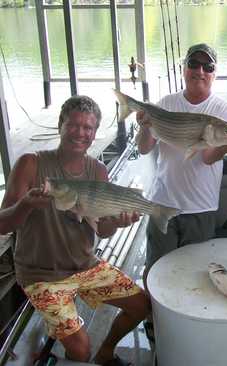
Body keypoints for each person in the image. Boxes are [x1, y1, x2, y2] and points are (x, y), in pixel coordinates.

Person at [0, 96, 151, 366]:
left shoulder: (98, 171)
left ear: (94, 134)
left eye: (88, 128)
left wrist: (117, 221)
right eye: (74, 125)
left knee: (142, 305)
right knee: (81, 349)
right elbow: (2, 224)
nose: (81, 133)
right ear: (60, 125)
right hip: (40, 274)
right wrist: (25, 206)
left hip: (84, 266)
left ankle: (106, 353)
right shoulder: (31, 164)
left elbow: (102, 230)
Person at [136, 43, 227, 278]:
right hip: (162, 202)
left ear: (214, 73)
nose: (200, 71)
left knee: (195, 275)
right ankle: (154, 315)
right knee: (155, 272)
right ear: (184, 68)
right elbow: (144, 148)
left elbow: (207, 158)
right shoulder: (165, 103)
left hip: (201, 206)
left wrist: (226, 146)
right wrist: (144, 126)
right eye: (194, 64)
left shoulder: (222, 110)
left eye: (208, 66)